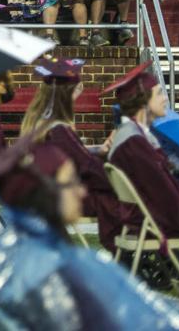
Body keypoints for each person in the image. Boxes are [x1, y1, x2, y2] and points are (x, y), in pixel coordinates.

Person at [0, 134, 179, 329]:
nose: (82, 191)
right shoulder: (58, 269)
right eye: (71, 182)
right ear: (45, 192)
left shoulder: (7, 256)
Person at [18, 56, 128, 252]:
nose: (79, 96)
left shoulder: (39, 122)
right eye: (78, 91)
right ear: (66, 93)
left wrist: (97, 150)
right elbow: (87, 167)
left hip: (46, 192)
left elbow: (74, 156)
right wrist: (119, 181)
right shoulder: (58, 128)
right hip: (63, 197)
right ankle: (126, 250)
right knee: (122, 199)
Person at [106, 62, 179, 242]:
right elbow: (163, 192)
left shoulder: (134, 136)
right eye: (159, 93)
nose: (164, 99)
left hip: (153, 217)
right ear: (143, 101)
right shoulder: (134, 142)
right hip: (162, 220)